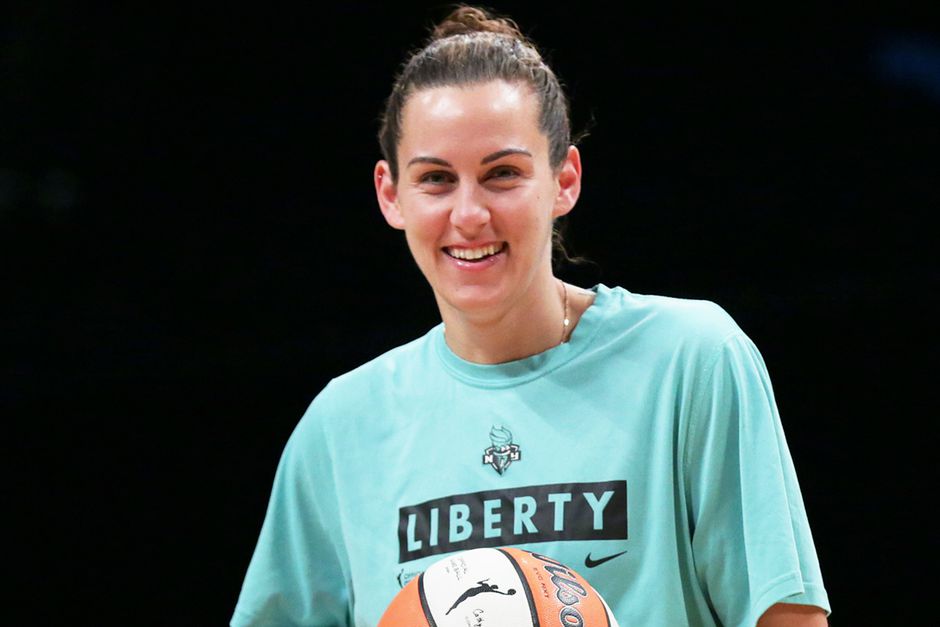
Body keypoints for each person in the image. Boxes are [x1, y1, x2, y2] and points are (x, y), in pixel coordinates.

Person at [231, 6, 831, 626]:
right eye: (436, 179)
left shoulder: (689, 359)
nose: (469, 214)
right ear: (391, 194)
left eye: (503, 174)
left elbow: (786, 616)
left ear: (564, 179)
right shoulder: (342, 425)